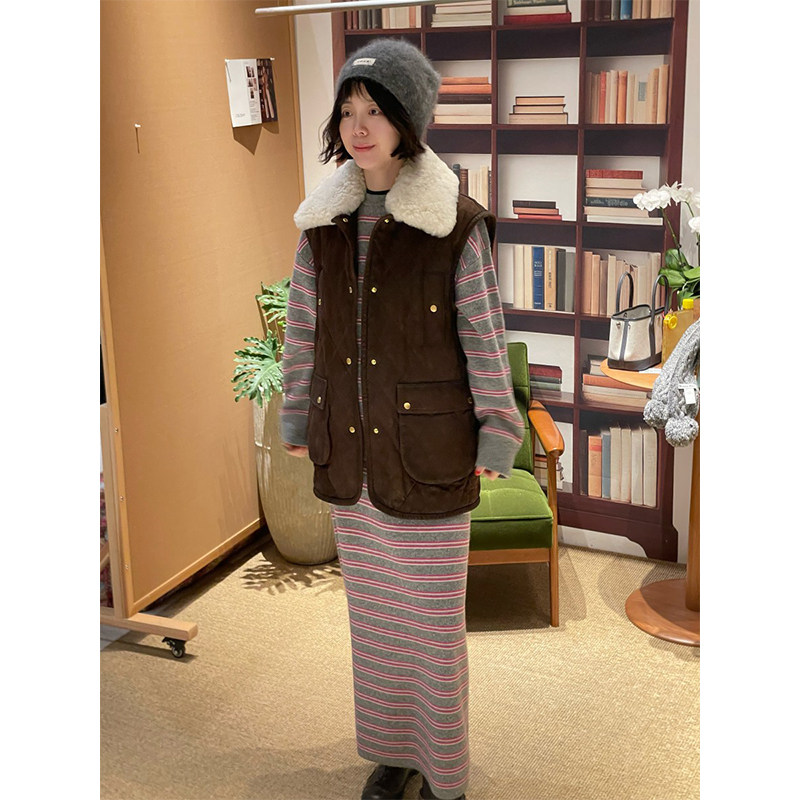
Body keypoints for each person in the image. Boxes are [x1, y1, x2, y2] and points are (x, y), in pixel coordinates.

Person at [280, 39, 524, 800]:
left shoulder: (455, 222)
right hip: (352, 455)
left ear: (407, 120)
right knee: (377, 626)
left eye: (376, 111)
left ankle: (444, 773)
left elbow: (483, 332)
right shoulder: (322, 223)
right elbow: (302, 329)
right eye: (348, 111)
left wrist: (498, 430)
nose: (359, 127)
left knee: (432, 628)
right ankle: (393, 754)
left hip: (429, 450)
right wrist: (298, 420)